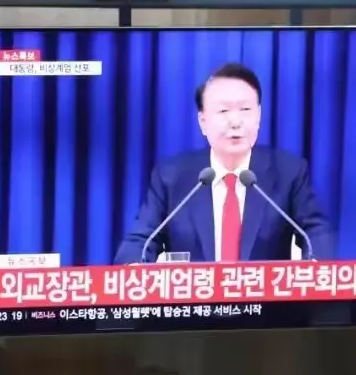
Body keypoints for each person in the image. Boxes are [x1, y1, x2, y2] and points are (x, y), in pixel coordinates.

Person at [115, 63, 334, 264]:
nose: (235, 122)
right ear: (203, 121)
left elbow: (316, 232)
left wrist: (315, 267)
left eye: (245, 110)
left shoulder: (289, 172)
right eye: (223, 111)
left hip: (264, 295)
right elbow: (140, 241)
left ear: (258, 116)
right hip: (196, 294)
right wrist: (135, 267)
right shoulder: (171, 176)